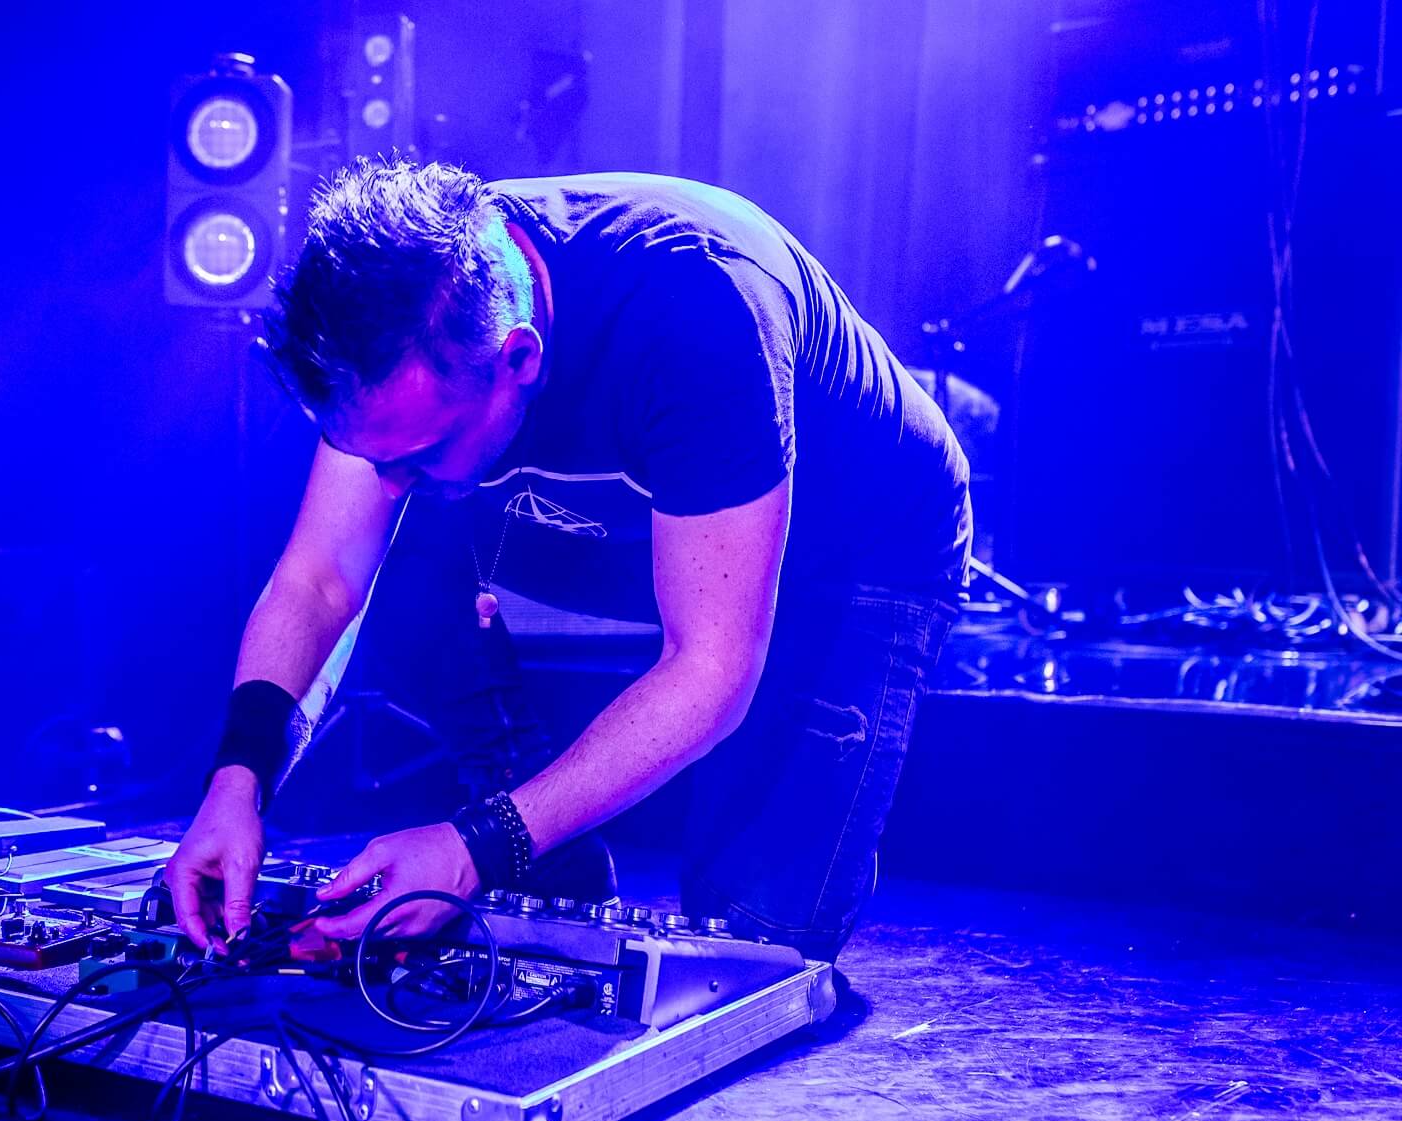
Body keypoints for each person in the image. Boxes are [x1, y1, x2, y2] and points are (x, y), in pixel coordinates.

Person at [166, 158, 971, 962]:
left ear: (518, 359)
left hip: (854, 551)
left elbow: (712, 666)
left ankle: (532, 832)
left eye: (420, 450)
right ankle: (540, 831)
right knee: (400, 537)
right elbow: (318, 581)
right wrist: (236, 783)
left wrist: (476, 848)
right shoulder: (403, 321)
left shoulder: (695, 313)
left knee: (750, 955)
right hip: (642, 519)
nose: (388, 482)